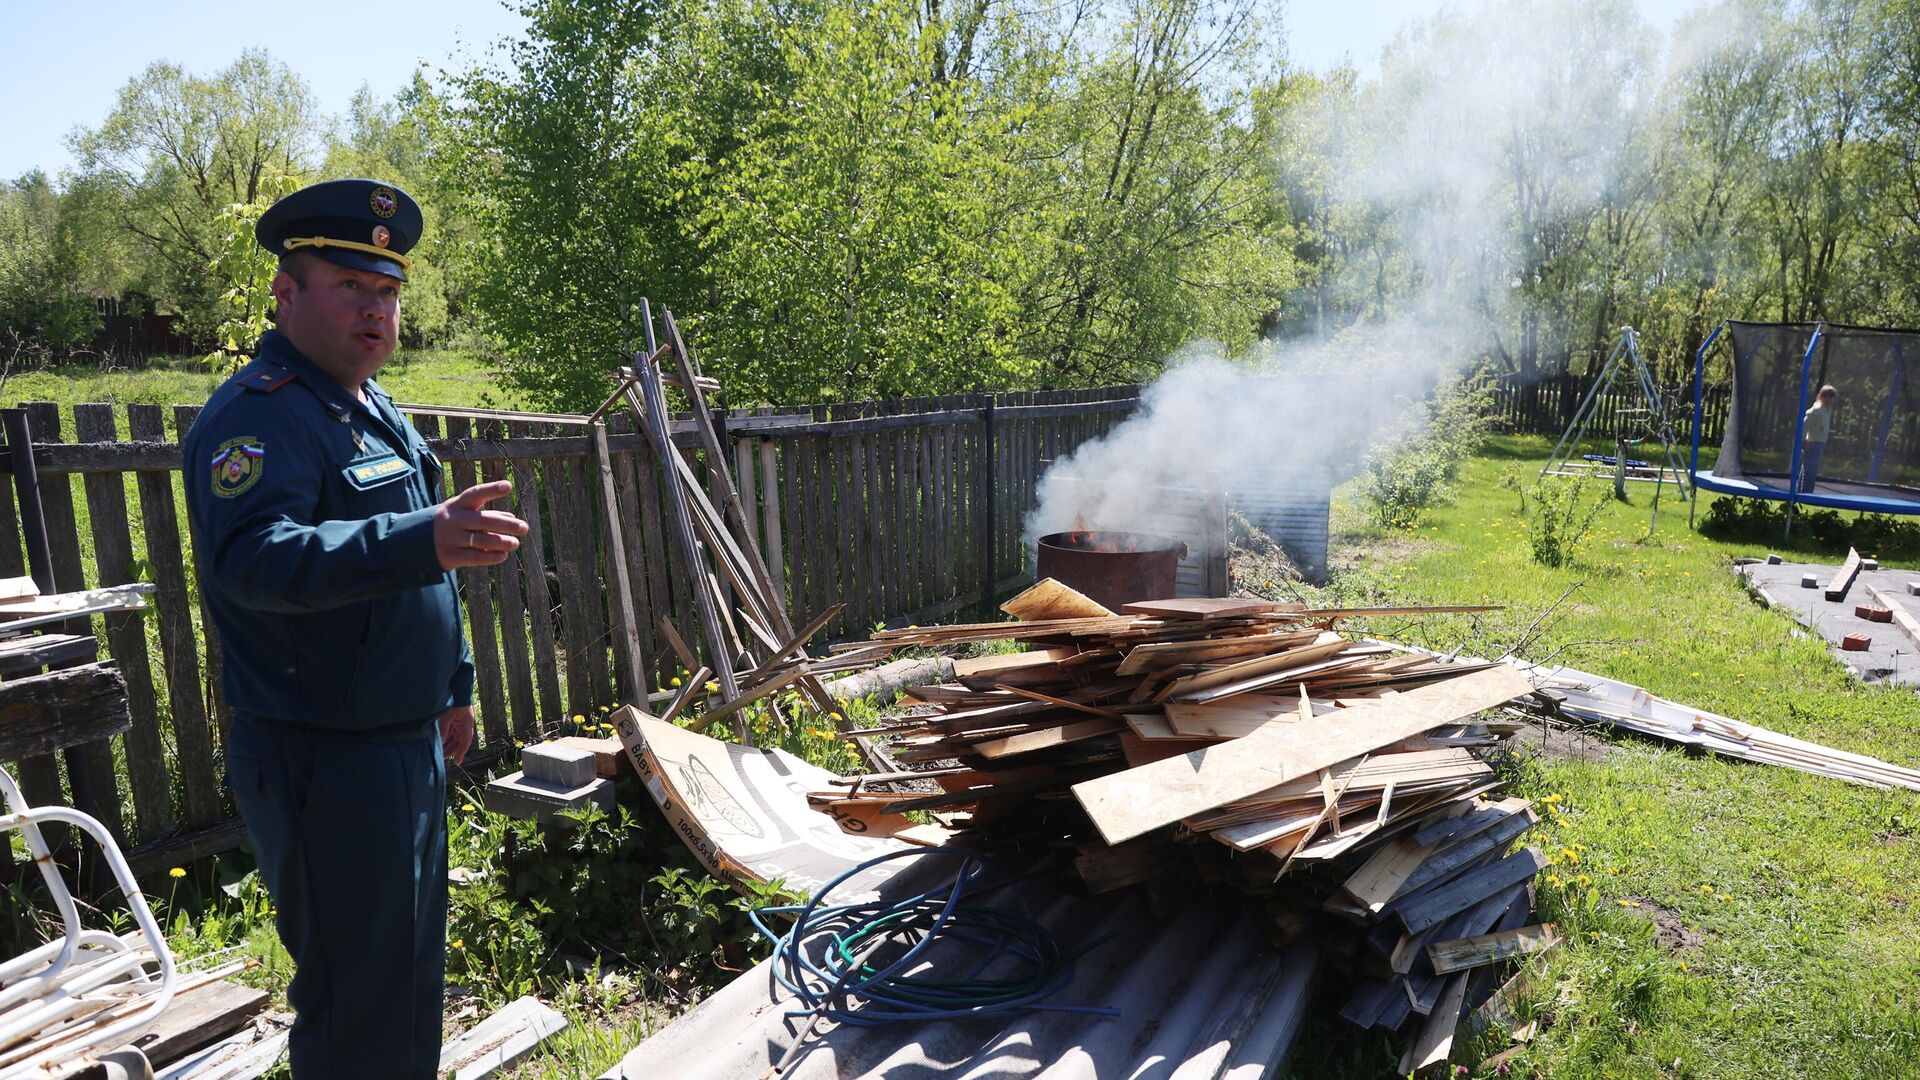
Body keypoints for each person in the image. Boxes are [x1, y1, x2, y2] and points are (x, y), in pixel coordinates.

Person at [183, 178, 529, 1076]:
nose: (376, 311)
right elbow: (255, 559)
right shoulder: (258, 415)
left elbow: (423, 583)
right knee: (353, 1000)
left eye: (388, 292)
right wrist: (422, 536)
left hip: (401, 743)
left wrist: (450, 689)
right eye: (350, 287)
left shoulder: (372, 407)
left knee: (406, 978)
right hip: (322, 759)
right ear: (287, 293)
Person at [1800, 383, 1838, 493]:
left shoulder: (1827, 410)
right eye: (1825, 395)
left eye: (1831, 396)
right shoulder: (1816, 410)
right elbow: (1803, 426)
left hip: (1819, 444)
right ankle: (1806, 494)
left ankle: (1803, 493)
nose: (1828, 399)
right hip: (1812, 444)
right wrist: (1803, 442)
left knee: (1810, 470)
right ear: (1821, 396)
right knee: (1809, 471)